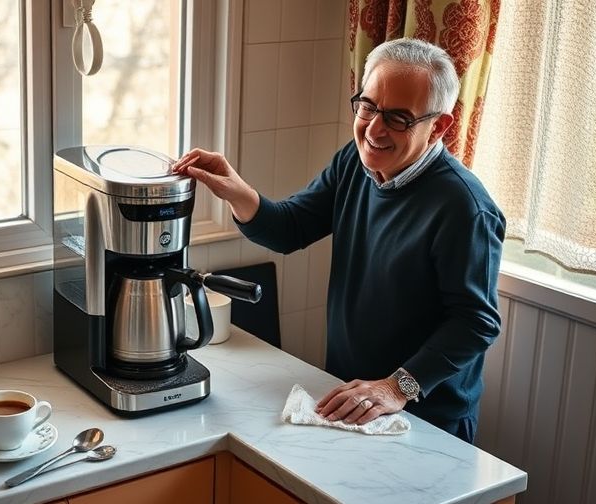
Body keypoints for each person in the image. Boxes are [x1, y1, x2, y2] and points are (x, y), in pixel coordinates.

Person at [170, 38, 505, 443]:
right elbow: (289, 228)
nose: (374, 129)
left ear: (439, 126)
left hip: (428, 417)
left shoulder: (465, 207)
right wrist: (235, 189)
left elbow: (476, 323)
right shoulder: (354, 162)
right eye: (367, 107)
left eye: (398, 118)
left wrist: (396, 388)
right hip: (348, 398)